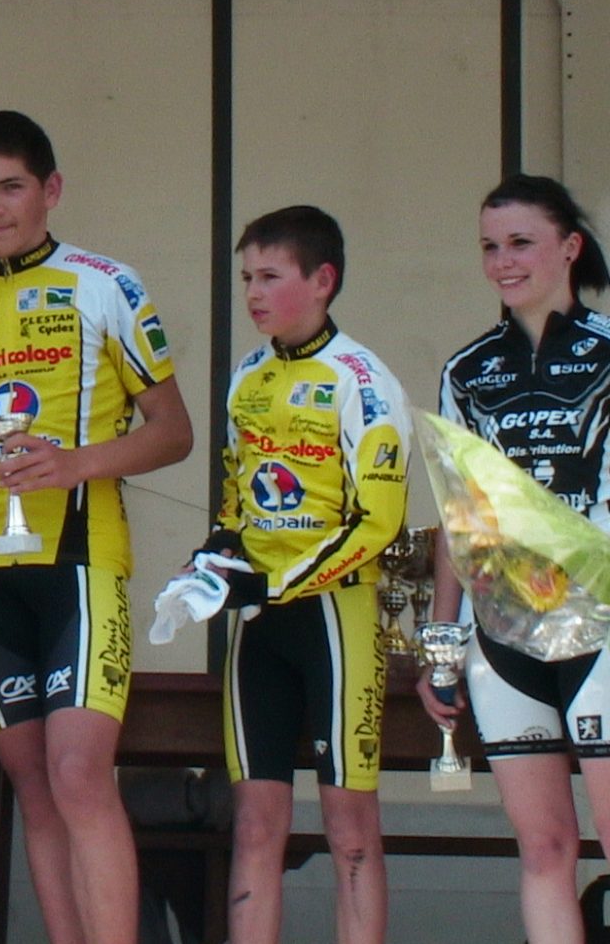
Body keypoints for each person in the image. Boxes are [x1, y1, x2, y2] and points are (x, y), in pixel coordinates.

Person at [0, 110, 193, 944]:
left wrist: (75, 463)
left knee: (77, 775)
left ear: (51, 190)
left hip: (81, 567)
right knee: (34, 788)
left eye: (11, 188)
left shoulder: (107, 285)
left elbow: (174, 431)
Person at [203, 206, 408, 944]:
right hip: (259, 626)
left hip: (335, 620)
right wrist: (215, 552)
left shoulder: (362, 379)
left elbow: (378, 523)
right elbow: (236, 497)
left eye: (270, 276)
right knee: (256, 821)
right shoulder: (246, 376)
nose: (253, 293)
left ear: (323, 280)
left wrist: (275, 584)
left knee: (350, 827)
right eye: (246, 278)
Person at [423, 174, 610, 944]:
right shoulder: (467, 371)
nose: (503, 261)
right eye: (490, 246)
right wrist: (441, 645)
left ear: (569, 247)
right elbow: (456, 516)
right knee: (543, 848)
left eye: (521, 243)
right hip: (504, 634)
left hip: (602, 623)